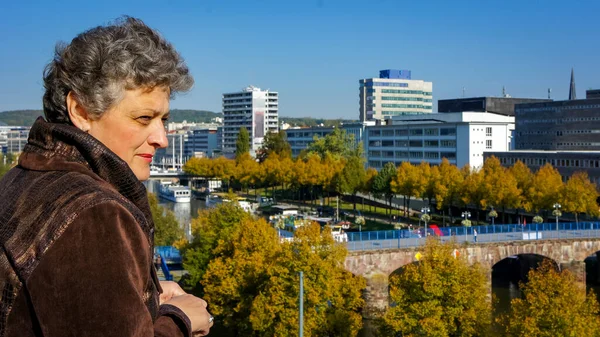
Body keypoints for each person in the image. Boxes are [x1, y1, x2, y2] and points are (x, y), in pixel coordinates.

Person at [0, 17, 213, 336]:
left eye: (164, 119)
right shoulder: (93, 214)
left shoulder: (25, 177)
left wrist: (144, 296)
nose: (162, 138)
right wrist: (178, 320)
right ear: (82, 111)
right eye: (143, 118)